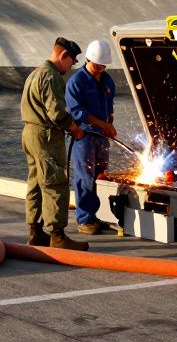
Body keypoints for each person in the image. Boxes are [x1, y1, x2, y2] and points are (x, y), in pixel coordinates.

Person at [20, 36, 89, 251]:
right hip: (46, 136)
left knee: (35, 183)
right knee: (55, 183)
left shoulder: (35, 73)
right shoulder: (51, 76)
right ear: (63, 56)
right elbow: (57, 113)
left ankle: (35, 231)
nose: (71, 67)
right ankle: (57, 236)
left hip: (30, 133)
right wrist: (75, 128)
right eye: (72, 62)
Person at [66, 39, 118, 235]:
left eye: (104, 65)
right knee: (84, 176)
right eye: (98, 65)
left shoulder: (107, 80)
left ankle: (97, 214)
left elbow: (109, 106)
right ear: (89, 60)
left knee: (100, 175)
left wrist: (109, 124)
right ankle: (85, 219)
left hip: (101, 136)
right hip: (83, 136)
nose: (101, 68)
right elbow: (78, 112)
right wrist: (103, 125)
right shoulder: (76, 82)